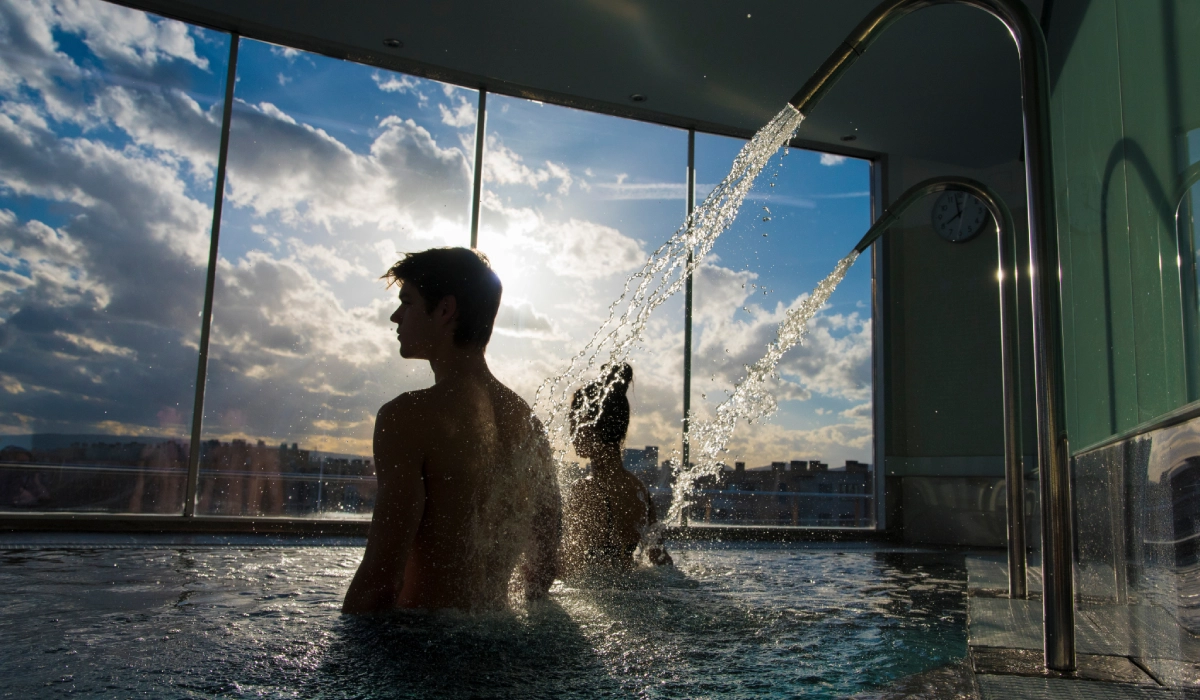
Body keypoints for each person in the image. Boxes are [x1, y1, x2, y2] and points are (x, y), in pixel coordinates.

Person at [342, 247, 560, 613]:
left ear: (445, 310)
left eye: (407, 302)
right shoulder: (528, 422)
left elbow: (380, 582)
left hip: (426, 652)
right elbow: (543, 568)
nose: (396, 317)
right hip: (497, 647)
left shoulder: (407, 417)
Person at [559, 364, 672, 575]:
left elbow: (567, 566)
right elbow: (662, 561)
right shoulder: (639, 490)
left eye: (574, 424)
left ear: (589, 425)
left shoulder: (585, 490)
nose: (572, 434)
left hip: (597, 599)